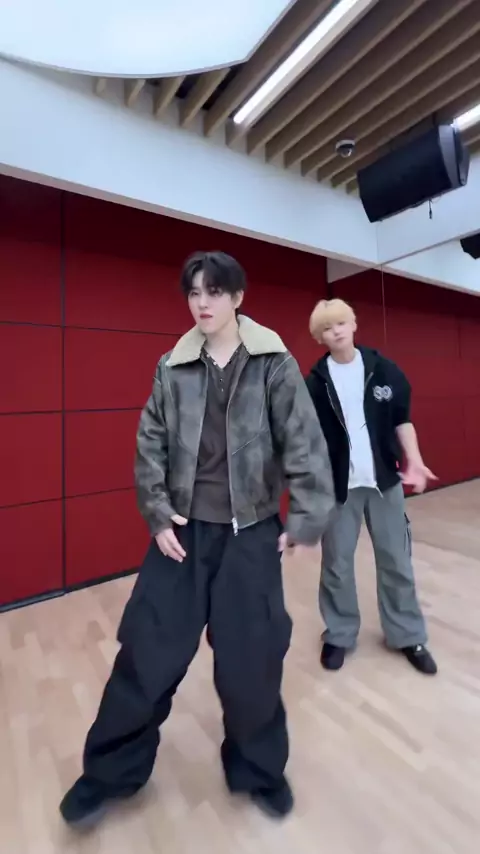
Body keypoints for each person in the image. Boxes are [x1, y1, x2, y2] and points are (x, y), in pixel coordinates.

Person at [60, 251, 335, 828]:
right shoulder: (173, 367)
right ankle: (108, 774)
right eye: (194, 293)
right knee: (146, 655)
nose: (202, 303)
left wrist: (307, 518)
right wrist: (158, 515)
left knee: (252, 663)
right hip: (182, 536)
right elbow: (150, 446)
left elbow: (304, 443)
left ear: (237, 297)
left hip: (250, 535)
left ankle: (259, 769)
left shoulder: (273, 364)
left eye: (214, 291)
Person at [305, 298, 438, 676]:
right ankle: (339, 634)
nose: (336, 331)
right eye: (327, 328)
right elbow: (307, 438)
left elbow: (402, 421)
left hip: (383, 482)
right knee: (336, 564)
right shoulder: (314, 383)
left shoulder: (384, 370)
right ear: (320, 337)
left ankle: (407, 634)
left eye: (341, 323)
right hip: (339, 487)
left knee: (396, 559)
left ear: (353, 324)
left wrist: (414, 460)